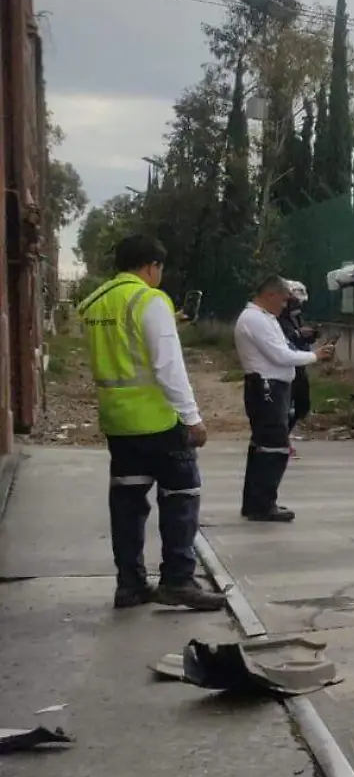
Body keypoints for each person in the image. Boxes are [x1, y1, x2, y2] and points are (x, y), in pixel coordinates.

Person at [76, 234, 226, 611]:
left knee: (127, 504)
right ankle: (177, 581)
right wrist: (192, 418)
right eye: (159, 268)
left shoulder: (95, 303)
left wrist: (166, 322)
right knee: (181, 497)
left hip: (118, 423)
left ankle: (130, 585)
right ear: (150, 266)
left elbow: (124, 339)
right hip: (159, 422)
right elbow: (167, 366)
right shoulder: (150, 300)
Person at [234, 275, 334, 522]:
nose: (284, 305)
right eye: (283, 299)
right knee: (273, 447)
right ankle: (264, 504)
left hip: (273, 387)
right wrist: (315, 356)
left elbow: (284, 350)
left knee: (264, 446)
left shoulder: (266, 318)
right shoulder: (254, 319)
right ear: (270, 295)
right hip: (266, 388)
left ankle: (255, 502)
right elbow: (280, 355)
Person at [279, 280, 316, 446]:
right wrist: (297, 334)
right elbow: (285, 338)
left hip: (299, 361)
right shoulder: (277, 317)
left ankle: (283, 435)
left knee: (302, 405)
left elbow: (300, 336)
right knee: (286, 404)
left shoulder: (296, 316)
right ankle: (280, 438)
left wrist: (310, 334)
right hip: (285, 364)